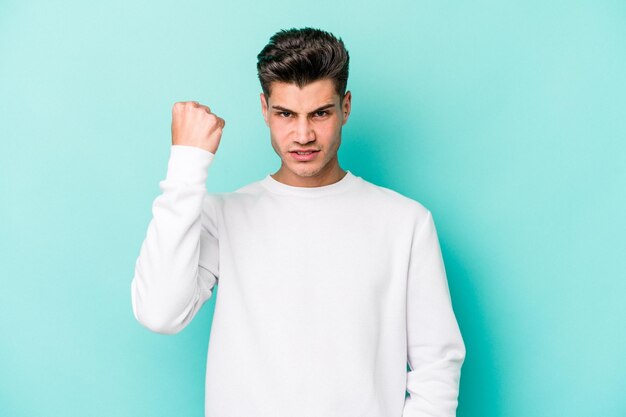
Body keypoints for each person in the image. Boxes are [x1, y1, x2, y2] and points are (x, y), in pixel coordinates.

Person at [131, 27, 466, 417]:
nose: (303, 134)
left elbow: (436, 365)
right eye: (286, 114)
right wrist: (187, 165)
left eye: (320, 113)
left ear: (346, 107)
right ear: (264, 109)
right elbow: (159, 312)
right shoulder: (223, 216)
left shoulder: (405, 222)